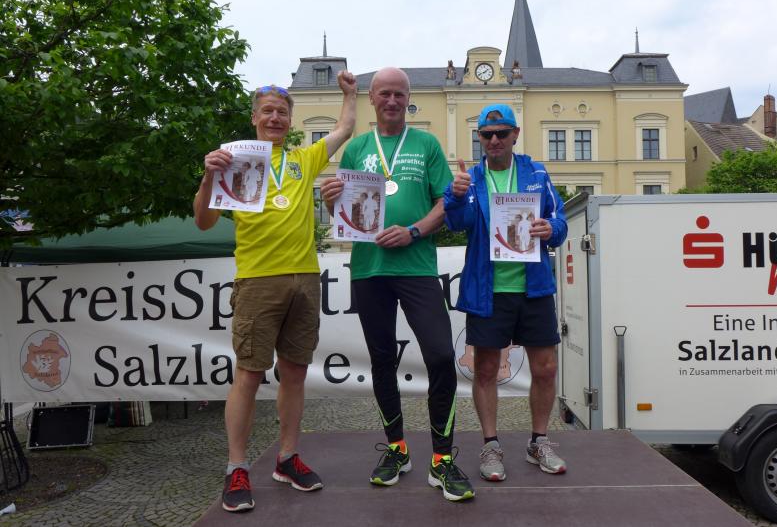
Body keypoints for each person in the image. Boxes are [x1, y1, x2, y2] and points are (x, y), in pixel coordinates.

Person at [194, 71, 357, 512]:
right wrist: (208, 178)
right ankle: (236, 467)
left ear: (290, 120)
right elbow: (203, 222)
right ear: (254, 118)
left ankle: (287, 458)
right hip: (257, 279)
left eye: (282, 113)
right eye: (267, 111)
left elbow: (344, 128)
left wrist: (350, 94)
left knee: (295, 372)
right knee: (248, 374)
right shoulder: (233, 161)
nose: (275, 118)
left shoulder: (304, 159)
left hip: (304, 277)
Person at [320, 67, 474, 502]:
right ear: (372, 98)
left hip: (416, 266)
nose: (392, 101)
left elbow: (445, 202)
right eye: (384, 93)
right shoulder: (357, 149)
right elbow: (345, 217)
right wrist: (331, 204)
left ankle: (441, 458)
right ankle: (396, 449)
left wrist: (414, 231)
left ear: (408, 100)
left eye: (399, 94)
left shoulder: (426, 144)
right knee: (382, 359)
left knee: (441, 355)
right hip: (369, 269)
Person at [444, 104, 567, 482]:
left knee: (545, 369)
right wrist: (455, 196)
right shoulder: (471, 179)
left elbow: (560, 222)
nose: (494, 140)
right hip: (489, 290)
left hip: (533, 287)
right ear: (479, 138)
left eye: (501, 133)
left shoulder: (536, 173)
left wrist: (551, 229)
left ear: (515, 134)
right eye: (486, 134)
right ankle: (491, 444)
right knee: (485, 370)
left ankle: (539, 441)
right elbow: (457, 223)